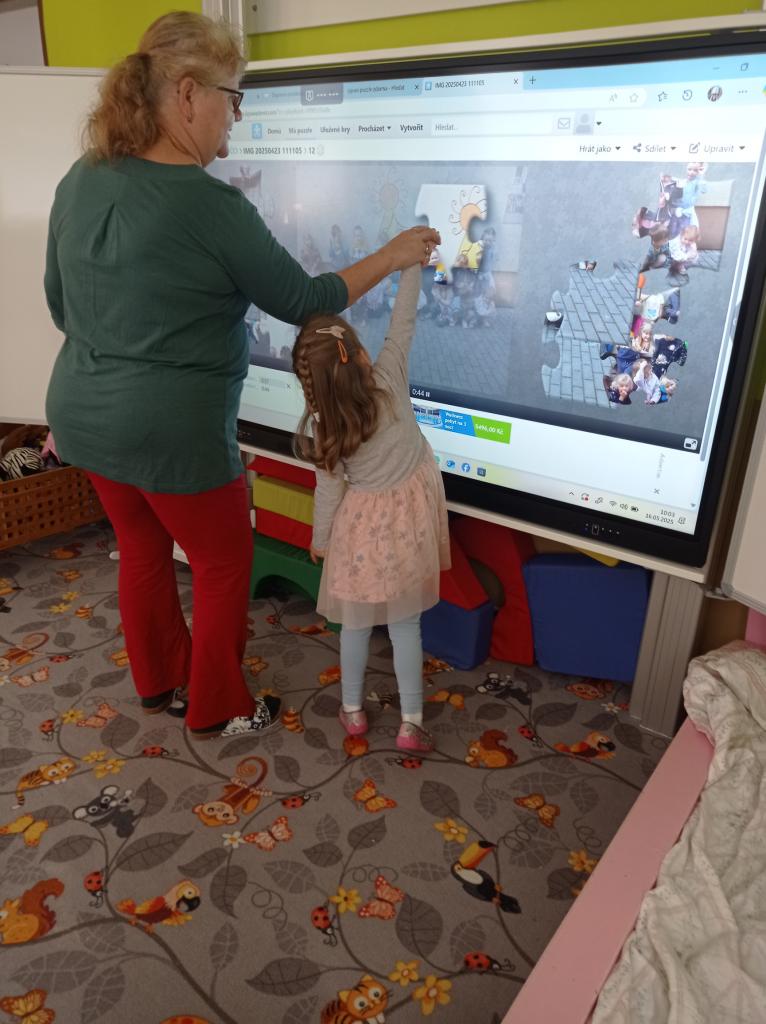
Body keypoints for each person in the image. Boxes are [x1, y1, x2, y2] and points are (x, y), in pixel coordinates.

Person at [43, 11, 440, 741]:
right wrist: (392, 255)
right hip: (172, 434)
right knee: (223, 562)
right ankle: (219, 706)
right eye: (234, 99)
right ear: (187, 94)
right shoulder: (211, 205)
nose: (235, 122)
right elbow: (306, 300)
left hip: (82, 417)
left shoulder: (82, 177)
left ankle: (160, 684)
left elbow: (59, 304)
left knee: (141, 547)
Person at [291, 263, 450, 754]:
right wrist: (411, 264)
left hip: (358, 535)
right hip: (409, 527)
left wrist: (320, 540)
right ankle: (411, 723)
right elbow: (403, 320)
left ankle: (353, 711)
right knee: (406, 627)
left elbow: (328, 492)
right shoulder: (390, 378)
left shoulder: (328, 428)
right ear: (360, 354)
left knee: (355, 626)